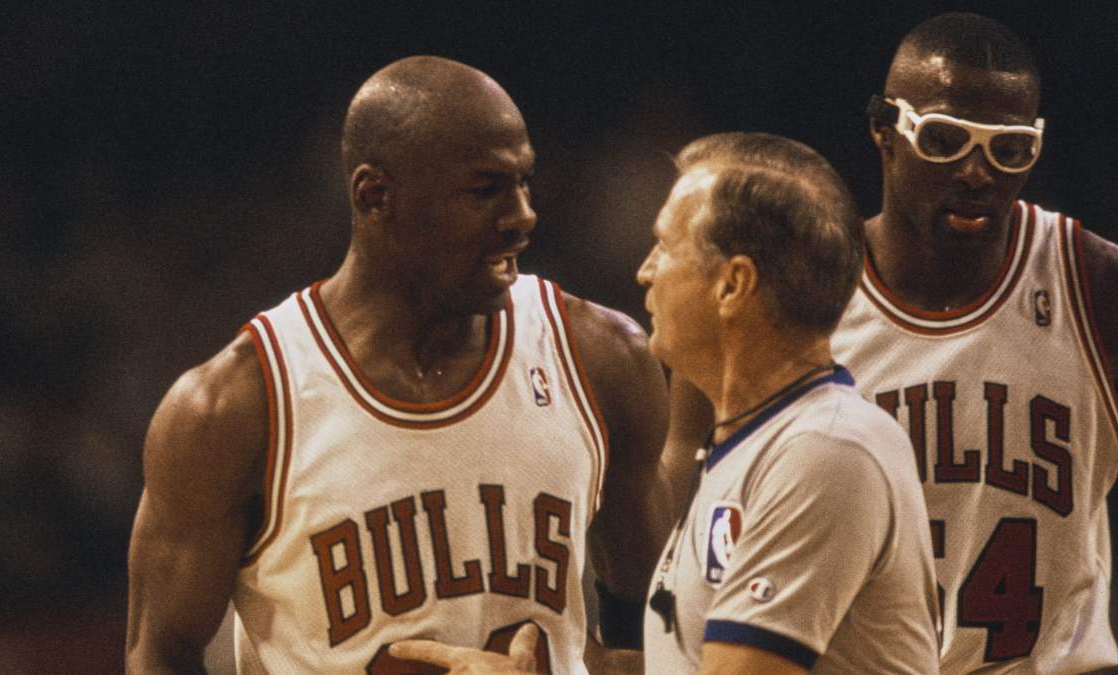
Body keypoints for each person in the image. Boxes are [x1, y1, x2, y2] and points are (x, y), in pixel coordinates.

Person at [124, 55, 672, 673]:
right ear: (375, 195)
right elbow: (159, 653)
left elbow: (657, 637)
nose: (523, 215)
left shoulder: (601, 358)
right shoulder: (234, 406)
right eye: (485, 189)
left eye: (525, 182)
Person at [671, 12, 1118, 673]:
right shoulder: (785, 302)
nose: (977, 172)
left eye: (1009, 150)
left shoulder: (1099, 288)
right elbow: (679, 504)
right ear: (884, 129)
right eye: (945, 140)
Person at [392, 132, 942, 673]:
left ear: (733, 284)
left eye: (666, 246)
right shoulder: (762, 443)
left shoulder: (825, 450)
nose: (646, 269)